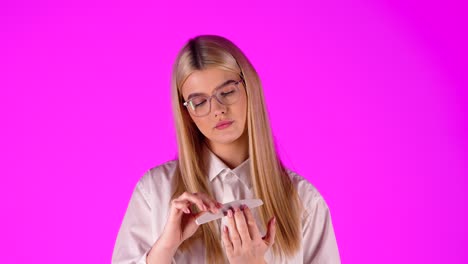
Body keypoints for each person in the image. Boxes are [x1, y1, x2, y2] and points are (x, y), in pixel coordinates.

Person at [112, 35, 341, 264]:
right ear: (187, 113)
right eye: (200, 102)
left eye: (228, 92)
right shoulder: (155, 192)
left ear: (249, 88)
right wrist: (165, 248)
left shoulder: (304, 202)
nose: (217, 110)